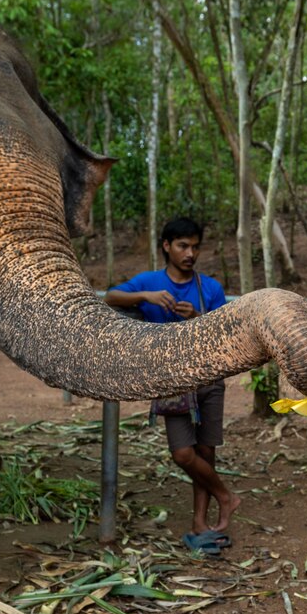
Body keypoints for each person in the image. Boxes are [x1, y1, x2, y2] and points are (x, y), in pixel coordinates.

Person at [104, 217, 240, 551]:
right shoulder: (149, 281)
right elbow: (110, 296)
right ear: (166, 246)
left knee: (205, 452)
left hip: (209, 377)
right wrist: (145, 297)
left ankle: (200, 524)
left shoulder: (209, 287)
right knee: (183, 453)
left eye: (195, 246)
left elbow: (225, 331)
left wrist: (196, 318)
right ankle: (225, 495)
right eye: (182, 245)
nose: (190, 253)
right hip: (173, 382)